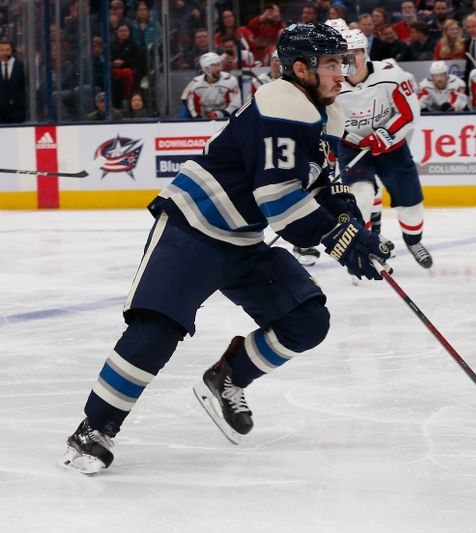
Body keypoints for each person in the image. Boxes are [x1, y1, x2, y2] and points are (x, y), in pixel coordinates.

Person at [61, 22, 391, 475]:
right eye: (333, 63)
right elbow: (278, 201)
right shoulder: (281, 104)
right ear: (300, 68)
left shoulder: (327, 113)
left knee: (307, 319)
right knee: (157, 328)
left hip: (242, 239)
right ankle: (93, 429)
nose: (344, 72)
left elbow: (328, 186)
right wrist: (339, 239)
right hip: (193, 227)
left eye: (344, 62)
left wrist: (354, 228)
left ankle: (228, 376)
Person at [337, 28, 434, 269]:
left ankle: (413, 241)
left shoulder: (391, 75)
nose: (351, 59)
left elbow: (410, 112)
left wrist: (385, 134)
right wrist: (347, 136)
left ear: (366, 53)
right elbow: (325, 118)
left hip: (392, 147)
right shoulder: (331, 83)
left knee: (411, 204)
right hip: (353, 147)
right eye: (344, 54)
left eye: (356, 52)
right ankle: (366, 243)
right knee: (361, 194)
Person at [183, 52, 242, 119]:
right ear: (206, 69)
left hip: (227, 119)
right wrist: (197, 119)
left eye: (219, 64)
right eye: (214, 66)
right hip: (204, 121)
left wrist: (223, 114)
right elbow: (191, 107)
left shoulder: (230, 80)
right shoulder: (196, 84)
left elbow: (236, 103)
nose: (219, 69)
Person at [0, 39, 25, 123]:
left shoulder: (21, 66)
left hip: (18, 111)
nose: (5, 53)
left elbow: (25, 87)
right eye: (2, 50)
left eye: (7, 50)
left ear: (12, 51)